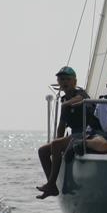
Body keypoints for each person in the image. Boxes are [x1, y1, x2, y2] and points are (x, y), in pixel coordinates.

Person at [36, 66, 92, 199]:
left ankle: (50, 184)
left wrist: (67, 104)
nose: (64, 82)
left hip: (86, 133)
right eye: (61, 79)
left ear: (74, 81)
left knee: (56, 145)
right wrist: (56, 143)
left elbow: (81, 99)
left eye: (67, 79)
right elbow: (61, 126)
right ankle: (53, 187)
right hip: (74, 135)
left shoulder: (80, 93)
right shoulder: (64, 100)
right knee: (43, 151)